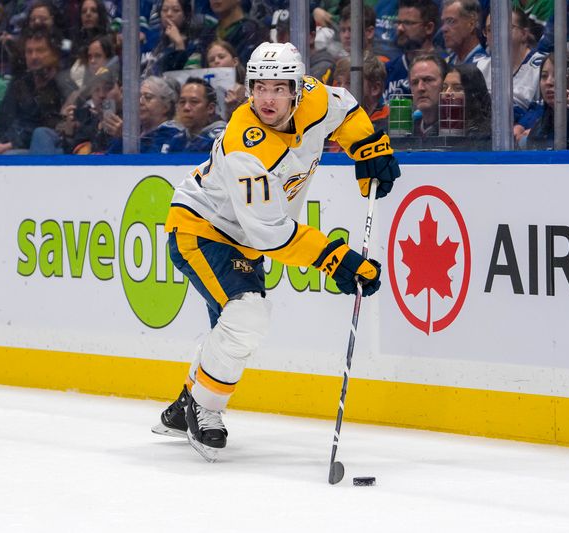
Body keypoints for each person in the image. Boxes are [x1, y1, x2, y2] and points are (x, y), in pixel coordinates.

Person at [150, 42, 401, 462]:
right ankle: (203, 408)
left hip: (242, 234)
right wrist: (335, 259)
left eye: (278, 88)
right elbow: (269, 232)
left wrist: (368, 147)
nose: (267, 98)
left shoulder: (316, 98)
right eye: (259, 87)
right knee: (248, 315)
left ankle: (184, 407)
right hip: (201, 228)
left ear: (297, 89)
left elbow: (346, 109)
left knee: (234, 325)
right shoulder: (244, 147)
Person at [0, 27, 75, 154]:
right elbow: (1, 120)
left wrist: (12, 144)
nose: (34, 56)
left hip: (48, 150)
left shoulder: (64, 84)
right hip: (9, 145)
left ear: (54, 53)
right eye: (29, 52)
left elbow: (53, 127)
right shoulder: (20, 83)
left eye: (40, 51)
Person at [105, 75, 184, 153]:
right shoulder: (132, 131)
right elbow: (108, 162)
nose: (140, 102)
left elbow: (150, 162)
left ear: (166, 106)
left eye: (148, 97)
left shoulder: (173, 136)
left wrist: (126, 139)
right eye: (138, 96)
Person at [384, 0, 441, 100]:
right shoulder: (387, 70)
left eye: (408, 23)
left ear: (429, 28)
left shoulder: (446, 67)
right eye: (398, 23)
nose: (400, 28)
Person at [163, 77, 227, 152]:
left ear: (210, 108)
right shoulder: (176, 140)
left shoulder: (220, 140)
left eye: (194, 102)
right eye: (182, 102)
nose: (186, 107)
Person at [442, 63, 491, 146]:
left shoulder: (488, 136)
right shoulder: (435, 130)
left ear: (474, 94)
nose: (447, 93)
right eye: (444, 87)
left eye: (457, 88)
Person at [205, 39, 248, 120]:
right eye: (211, 60)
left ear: (235, 62)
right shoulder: (206, 96)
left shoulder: (247, 94)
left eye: (221, 57)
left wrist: (233, 109)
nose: (216, 61)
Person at [409, 52, 448, 137]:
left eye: (428, 80)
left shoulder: (459, 129)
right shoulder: (407, 131)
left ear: (444, 84)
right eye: (415, 82)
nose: (420, 88)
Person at [442, 0, 488, 67]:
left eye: (451, 21)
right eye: (443, 22)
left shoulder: (484, 66)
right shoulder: (446, 63)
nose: (443, 29)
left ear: (471, 24)